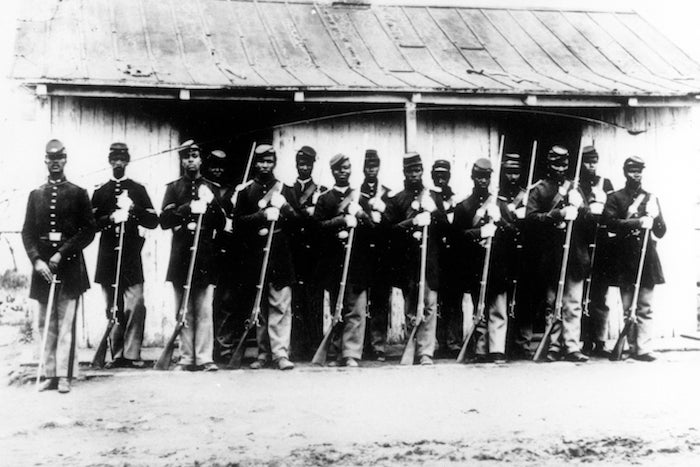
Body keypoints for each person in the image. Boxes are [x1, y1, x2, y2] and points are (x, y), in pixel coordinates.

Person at [22, 139, 96, 393]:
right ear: (45, 161)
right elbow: (27, 233)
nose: (55, 163)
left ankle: (65, 375)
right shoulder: (36, 195)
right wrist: (37, 260)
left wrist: (62, 254)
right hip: (43, 269)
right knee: (45, 322)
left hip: (69, 267)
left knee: (66, 322)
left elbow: (88, 231)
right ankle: (49, 374)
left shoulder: (78, 193)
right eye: (50, 159)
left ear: (65, 160)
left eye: (59, 159)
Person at [92, 142, 158, 368]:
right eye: (115, 159)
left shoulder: (137, 190)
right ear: (110, 162)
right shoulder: (101, 192)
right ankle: (117, 354)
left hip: (130, 256)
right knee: (113, 307)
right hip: (108, 257)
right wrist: (110, 218)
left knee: (136, 304)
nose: (118, 163)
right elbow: (90, 225)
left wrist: (133, 210)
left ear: (128, 162)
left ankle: (132, 353)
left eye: (122, 159)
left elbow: (153, 221)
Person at [160, 142, 224, 371]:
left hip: (205, 254)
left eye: (194, 156)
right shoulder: (173, 188)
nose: (190, 161)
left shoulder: (211, 187)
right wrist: (187, 207)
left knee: (204, 309)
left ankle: (205, 357)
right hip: (181, 255)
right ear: (181, 160)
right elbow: (164, 221)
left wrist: (212, 204)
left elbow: (222, 222)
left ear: (201, 160)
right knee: (183, 309)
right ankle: (187, 357)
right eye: (186, 157)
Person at [526, 145, 594, 362]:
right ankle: (553, 345)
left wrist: (581, 208)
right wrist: (559, 214)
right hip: (551, 254)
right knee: (552, 302)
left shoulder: (575, 188)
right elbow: (531, 219)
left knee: (573, 303)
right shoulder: (539, 189)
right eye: (556, 164)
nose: (560, 169)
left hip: (574, 254)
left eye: (564, 164)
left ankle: (572, 346)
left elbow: (591, 222)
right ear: (549, 164)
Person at [234, 144, 296, 370]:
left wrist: (286, 208)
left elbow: (299, 223)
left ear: (274, 163)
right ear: (255, 163)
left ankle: (280, 353)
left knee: (280, 306)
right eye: (261, 161)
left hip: (279, 255)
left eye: (269, 161)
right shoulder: (245, 191)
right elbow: (238, 223)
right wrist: (262, 215)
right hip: (255, 256)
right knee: (259, 306)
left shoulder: (284, 190)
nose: (265, 165)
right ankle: (263, 353)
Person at [384, 152, 447, 365]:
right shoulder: (397, 198)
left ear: (422, 171)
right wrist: (412, 223)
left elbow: (447, 227)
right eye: (410, 170)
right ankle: (411, 345)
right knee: (411, 305)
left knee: (429, 305)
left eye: (417, 170)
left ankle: (426, 352)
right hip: (408, 262)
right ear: (404, 172)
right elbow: (389, 230)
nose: (414, 174)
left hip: (429, 260)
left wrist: (434, 212)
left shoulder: (434, 196)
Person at [604, 156, 666, 362]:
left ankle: (643, 348)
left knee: (645, 307)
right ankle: (630, 345)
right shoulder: (615, 198)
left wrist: (655, 217)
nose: (636, 175)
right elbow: (610, 223)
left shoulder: (651, 198)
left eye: (639, 171)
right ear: (625, 172)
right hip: (624, 258)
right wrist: (638, 222)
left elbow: (661, 231)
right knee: (628, 307)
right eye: (632, 171)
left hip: (646, 258)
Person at [314, 154, 373, 367]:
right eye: (339, 169)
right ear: (333, 172)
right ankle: (334, 350)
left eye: (347, 168)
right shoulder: (325, 199)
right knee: (336, 309)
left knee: (355, 310)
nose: (343, 172)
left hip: (356, 263)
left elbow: (374, 232)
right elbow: (317, 228)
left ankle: (351, 354)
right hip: (334, 264)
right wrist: (341, 221)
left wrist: (361, 216)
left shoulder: (360, 198)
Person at [453, 158, 514, 363]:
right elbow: (457, 238)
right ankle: (480, 348)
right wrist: (480, 231)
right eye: (479, 176)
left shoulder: (500, 205)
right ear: (473, 177)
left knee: (497, 308)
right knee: (478, 309)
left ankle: (497, 349)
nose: (483, 181)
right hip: (475, 264)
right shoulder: (464, 207)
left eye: (486, 177)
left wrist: (500, 221)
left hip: (497, 265)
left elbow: (515, 234)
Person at [281, 146, 326, 361]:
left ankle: (316, 347)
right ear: (296, 165)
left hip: (315, 255)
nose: (304, 168)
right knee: (296, 301)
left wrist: (315, 210)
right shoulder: (286, 191)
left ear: (313, 165)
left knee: (314, 300)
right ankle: (297, 348)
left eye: (308, 164)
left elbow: (322, 222)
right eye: (301, 164)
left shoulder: (321, 191)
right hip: (294, 253)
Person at [578, 146, 615, 357]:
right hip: (582, 242)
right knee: (581, 294)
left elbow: (613, 212)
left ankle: (600, 340)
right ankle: (584, 340)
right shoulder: (576, 185)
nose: (591, 165)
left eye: (594, 161)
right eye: (588, 161)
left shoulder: (605, 184)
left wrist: (603, 201)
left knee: (600, 294)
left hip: (602, 245)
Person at [204, 149, 241, 362]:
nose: (217, 170)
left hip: (228, 251)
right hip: (207, 251)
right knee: (206, 301)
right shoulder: (203, 188)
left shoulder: (234, 190)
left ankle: (224, 348)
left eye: (221, 166)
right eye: (213, 166)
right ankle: (207, 350)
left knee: (227, 300)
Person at [498, 153, 535, 359]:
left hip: (524, 252)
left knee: (524, 298)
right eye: (509, 172)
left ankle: (523, 342)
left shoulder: (527, 195)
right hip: (503, 252)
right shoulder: (496, 196)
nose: (513, 177)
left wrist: (525, 216)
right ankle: (503, 343)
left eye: (516, 172)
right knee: (503, 297)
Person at [359, 149, 393, 361]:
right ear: (363, 168)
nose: (371, 169)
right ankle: (362, 345)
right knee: (361, 302)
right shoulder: (356, 193)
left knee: (380, 301)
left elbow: (394, 224)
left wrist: (385, 213)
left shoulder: (388, 194)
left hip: (381, 256)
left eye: (374, 165)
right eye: (368, 165)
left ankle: (378, 345)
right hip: (362, 255)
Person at [430, 159, 463, 358]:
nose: (441, 178)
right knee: (439, 302)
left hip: (454, 258)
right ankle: (440, 342)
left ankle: (455, 342)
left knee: (455, 302)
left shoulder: (457, 198)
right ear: (432, 175)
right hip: (437, 257)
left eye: (444, 174)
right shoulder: (429, 197)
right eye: (438, 174)